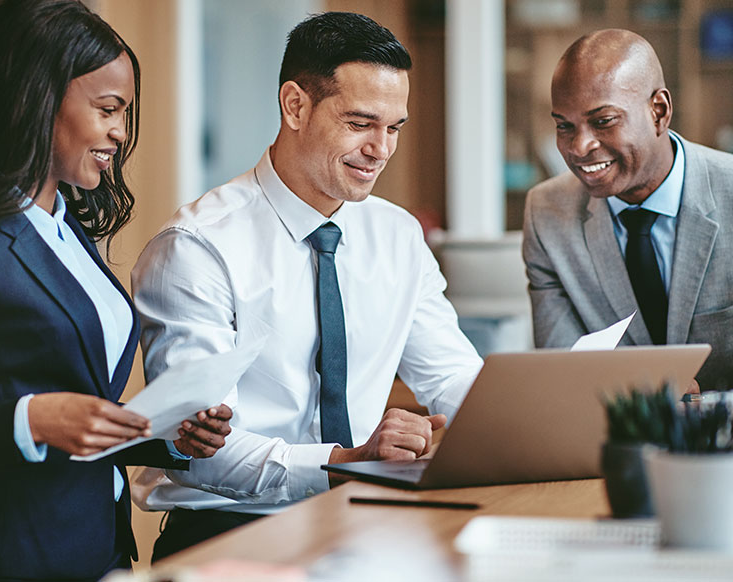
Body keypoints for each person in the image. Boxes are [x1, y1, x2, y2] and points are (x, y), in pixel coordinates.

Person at [0, 1, 231, 580]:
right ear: (38, 99)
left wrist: (166, 432)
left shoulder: (66, 228)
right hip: (1, 563)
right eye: (108, 109)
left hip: (98, 553)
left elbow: (75, 402)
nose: (120, 132)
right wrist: (33, 419)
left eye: (124, 113)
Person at [130, 11, 483, 559]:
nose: (381, 149)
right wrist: (348, 462)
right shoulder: (197, 247)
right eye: (360, 122)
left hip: (366, 528)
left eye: (394, 128)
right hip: (231, 539)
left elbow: (452, 376)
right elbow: (202, 451)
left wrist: (521, 427)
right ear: (295, 105)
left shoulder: (397, 236)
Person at [522, 29, 733, 393]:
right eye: (564, 126)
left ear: (659, 112)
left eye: (603, 121)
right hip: (609, 446)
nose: (579, 146)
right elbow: (563, 377)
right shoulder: (546, 214)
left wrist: (698, 414)